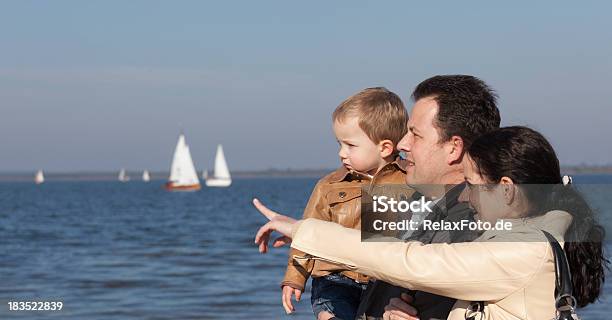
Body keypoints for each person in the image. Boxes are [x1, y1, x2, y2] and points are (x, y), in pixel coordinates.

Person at [254, 126, 608, 320]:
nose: (466, 196)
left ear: (506, 190)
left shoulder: (522, 250)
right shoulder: (518, 237)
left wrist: (303, 229)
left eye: (471, 185)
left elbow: (414, 261)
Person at [271, 87, 409, 320]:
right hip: (336, 279)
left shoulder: (410, 180)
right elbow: (308, 234)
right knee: (332, 308)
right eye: (339, 144)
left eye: (350, 145)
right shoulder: (330, 185)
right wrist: (294, 278)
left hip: (385, 280)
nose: (341, 153)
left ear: (384, 147)